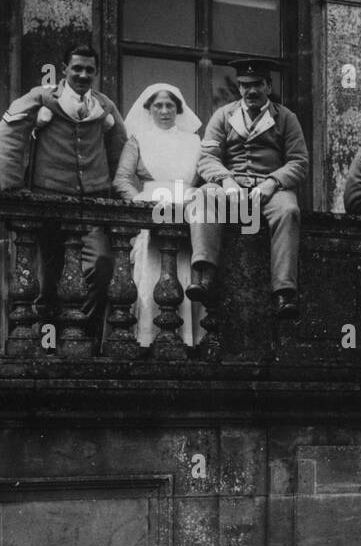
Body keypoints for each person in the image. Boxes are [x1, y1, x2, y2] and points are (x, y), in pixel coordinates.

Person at [0, 43, 126, 347]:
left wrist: (119, 192)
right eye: (77, 68)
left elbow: (122, 149)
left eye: (89, 70)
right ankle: (49, 345)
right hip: (48, 203)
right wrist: (9, 187)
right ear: (64, 68)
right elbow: (9, 132)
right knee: (47, 280)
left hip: (91, 206)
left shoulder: (105, 106)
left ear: (96, 72)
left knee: (102, 265)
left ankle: (82, 335)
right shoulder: (41, 97)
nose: (83, 75)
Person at [191, 58, 307, 321]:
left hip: (271, 189)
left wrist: (273, 182)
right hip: (232, 185)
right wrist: (226, 179)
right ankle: (205, 274)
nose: (250, 91)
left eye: (257, 85)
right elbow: (206, 158)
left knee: (289, 210)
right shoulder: (223, 115)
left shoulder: (286, 118)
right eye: (245, 85)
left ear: (268, 86)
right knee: (204, 195)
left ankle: (284, 292)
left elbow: (299, 162)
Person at [113, 83, 202, 346]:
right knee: (152, 271)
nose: (164, 111)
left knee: (186, 271)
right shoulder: (138, 140)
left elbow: (207, 174)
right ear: (149, 109)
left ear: (178, 109)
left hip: (187, 209)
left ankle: (188, 341)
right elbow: (122, 179)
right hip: (152, 209)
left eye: (170, 105)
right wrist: (141, 202)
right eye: (158, 106)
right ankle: (149, 340)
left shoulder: (195, 141)